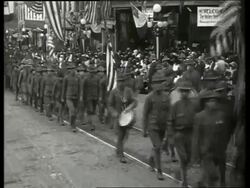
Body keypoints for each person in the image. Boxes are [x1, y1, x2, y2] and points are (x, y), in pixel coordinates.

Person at [191, 90, 234, 187]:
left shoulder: (221, 115)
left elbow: (225, 132)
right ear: (205, 102)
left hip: (219, 150)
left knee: (218, 171)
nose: (213, 103)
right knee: (213, 175)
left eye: (215, 100)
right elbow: (196, 137)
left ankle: (202, 184)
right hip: (206, 151)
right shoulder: (199, 117)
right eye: (211, 100)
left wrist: (227, 147)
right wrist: (195, 155)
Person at [167, 80, 199, 187]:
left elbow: (197, 120)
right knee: (183, 158)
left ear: (189, 92)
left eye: (187, 91)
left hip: (190, 134)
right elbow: (170, 121)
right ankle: (184, 180)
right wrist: (171, 136)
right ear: (180, 92)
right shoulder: (176, 105)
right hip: (179, 134)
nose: (185, 93)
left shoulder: (194, 105)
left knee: (189, 158)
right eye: (183, 91)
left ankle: (180, 173)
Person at [143, 75, 171, 180]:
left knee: (157, 146)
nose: (159, 85)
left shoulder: (166, 97)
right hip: (152, 126)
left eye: (161, 82)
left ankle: (151, 158)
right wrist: (144, 129)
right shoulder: (149, 97)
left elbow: (169, 112)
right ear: (153, 85)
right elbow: (145, 114)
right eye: (157, 83)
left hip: (162, 126)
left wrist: (169, 126)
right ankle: (159, 171)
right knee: (158, 147)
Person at [108, 73, 137, 163]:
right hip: (118, 117)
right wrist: (114, 113)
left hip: (127, 117)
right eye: (119, 81)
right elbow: (110, 105)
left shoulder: (128, 91)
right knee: (120, 136)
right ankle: (121, 155)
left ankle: (118, 149)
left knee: (125, 136)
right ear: (117, 82)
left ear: (125, 82)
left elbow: (134, 102)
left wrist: (130, 107)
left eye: (122, 81)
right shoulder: (114, 92)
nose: (121, 83)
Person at [62, 65, 80, 132]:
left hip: (76, 97)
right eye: (69, 69)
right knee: (72, 110)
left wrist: (80, 96)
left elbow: (80, 88)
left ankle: (73, 122)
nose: (71, 70)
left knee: (75, 112)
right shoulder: (66, 78)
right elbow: (64, 88)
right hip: (68, 96)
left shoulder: (78, 78)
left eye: (72, 69)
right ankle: (72, 125)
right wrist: (62, 97)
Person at [80, 66, 99, 131]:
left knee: (93, 110)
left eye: (93, 72)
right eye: (90, 72)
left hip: (95, 97)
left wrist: (99, 96)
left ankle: (90, 121)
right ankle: (91, 124)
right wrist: (82, 96)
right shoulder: (86, 79)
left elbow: (99, 88)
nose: (92, 73)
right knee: (90, 110)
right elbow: (82, 88)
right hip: (88, 97)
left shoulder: (97, 79)